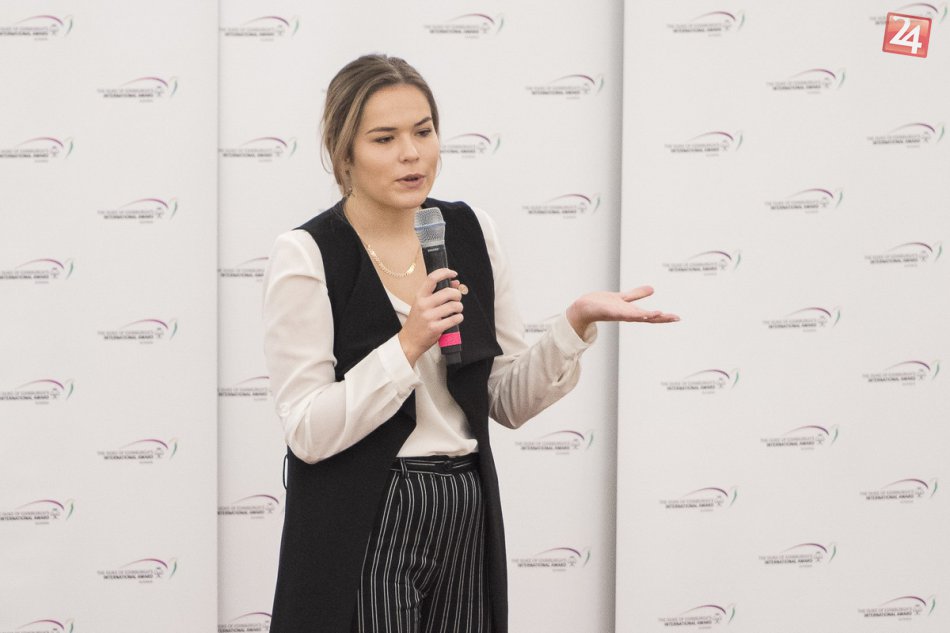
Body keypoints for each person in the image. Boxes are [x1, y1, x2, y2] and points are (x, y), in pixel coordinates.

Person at [262, 54, 678, 633]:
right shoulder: (307, 254)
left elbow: (505, 400)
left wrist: (574, 325)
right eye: (384, 138)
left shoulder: (469, 232)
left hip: (464, 503)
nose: (412, 153)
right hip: (364, 513)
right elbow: (308, 432)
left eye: (423, 131)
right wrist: (407, 345)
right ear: (343, 153)